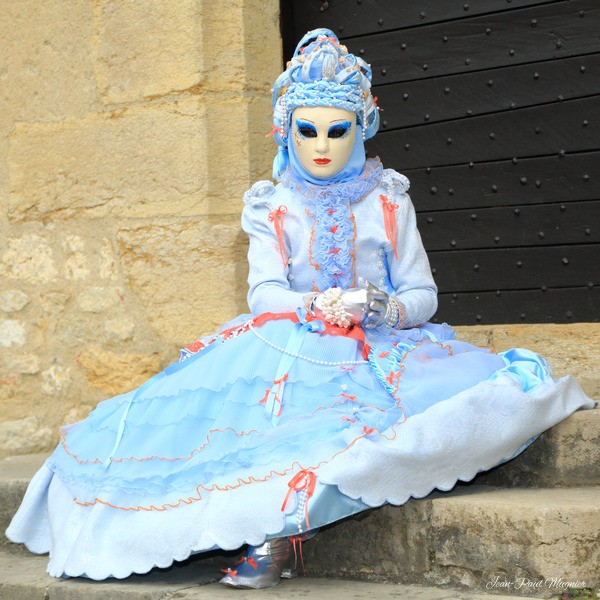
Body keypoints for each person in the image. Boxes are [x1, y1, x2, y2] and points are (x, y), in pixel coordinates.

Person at [6, 29, 594, 589]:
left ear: (360, 128)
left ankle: (274, 539)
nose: (320, 146)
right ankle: (262, 535)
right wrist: (317, 304)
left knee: (369, 428)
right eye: (306, 131)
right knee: (245, 433)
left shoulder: (389, 200)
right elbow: (263, 293)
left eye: (337, 131)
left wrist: (384, 308)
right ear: (286, 132)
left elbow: (424, 295)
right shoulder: (273, 204)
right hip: (288, 341)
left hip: (380, 346)